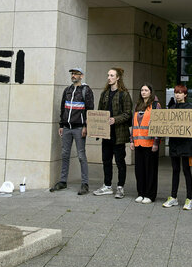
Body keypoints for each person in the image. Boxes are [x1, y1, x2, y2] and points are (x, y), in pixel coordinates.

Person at [51, 67, 94, 195]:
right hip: (66, 128)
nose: (73, 75)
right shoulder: (67, 90)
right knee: (65, 155)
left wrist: (86, 126)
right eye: (72, 73)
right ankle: (63, 181)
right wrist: (61, 125)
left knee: (81, 156)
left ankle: (85, 184)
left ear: (81, 76)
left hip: (79, 127)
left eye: (76, 74)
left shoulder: (86, 90)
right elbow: (63, 109)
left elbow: (90, 110)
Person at [93, 68, 133, 199]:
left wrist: (115, 119)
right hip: (106, 134)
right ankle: (107, 186)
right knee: (106, 161)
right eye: (108, 75)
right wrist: (97, 127)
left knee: (120, 162)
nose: (109, 77)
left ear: (118, 78)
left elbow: (128, 114)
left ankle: (120, 187)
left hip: (119, 134)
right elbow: (99, 112)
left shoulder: (124, 94)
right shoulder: (104, 93)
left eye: (111, 75)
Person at [163, 84, 192, 210]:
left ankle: (189, 198)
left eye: (180, 92)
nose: (177, 95)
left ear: (185, 94)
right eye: (176, 92)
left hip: (186, 145)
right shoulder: (171, 108)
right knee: (175, 170)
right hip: (174, 144)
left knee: (186, 171)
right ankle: (173, 197)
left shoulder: (191, 108)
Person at [131, 83, 161, 204]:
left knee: (150, 170)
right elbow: (134, 124)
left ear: (150, 92)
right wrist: (132, 140)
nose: (143, 92)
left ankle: (150, 194)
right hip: (138, 142)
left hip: (150, 144)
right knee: (139, 170)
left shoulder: (155, 105)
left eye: (146, 90)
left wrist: (156, 142)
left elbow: (159, 124)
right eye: (142, 90)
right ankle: (141, 193)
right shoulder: (138, 105)